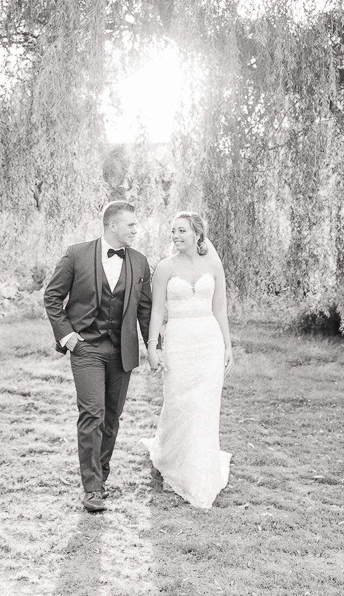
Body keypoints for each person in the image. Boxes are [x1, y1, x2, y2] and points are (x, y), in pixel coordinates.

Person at [43, 200, 152, 512]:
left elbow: (145, 309)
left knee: (112, 417)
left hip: (122, 350)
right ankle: (92, 488)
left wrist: (154, 348)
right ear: (112, 225)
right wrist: (68, 337)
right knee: (93, 413)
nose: (136, 229)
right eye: (131, 224)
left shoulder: (139, 262)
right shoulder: (76, 254)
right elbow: (52, 296)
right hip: (86, 347)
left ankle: (101, 474)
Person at [143, 211, 232, 509]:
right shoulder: (165, 268)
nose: (176, 236)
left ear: (197, 233)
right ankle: (172, 460)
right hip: (179, 341)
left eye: (182, 230)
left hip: (209, 341)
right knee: (179, 402)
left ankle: (200, 469)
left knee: (204, 405)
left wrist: (227, 345)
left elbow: (220, 309)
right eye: (173, 231)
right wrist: (152, 347)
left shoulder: (213, 265)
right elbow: (157, 311)